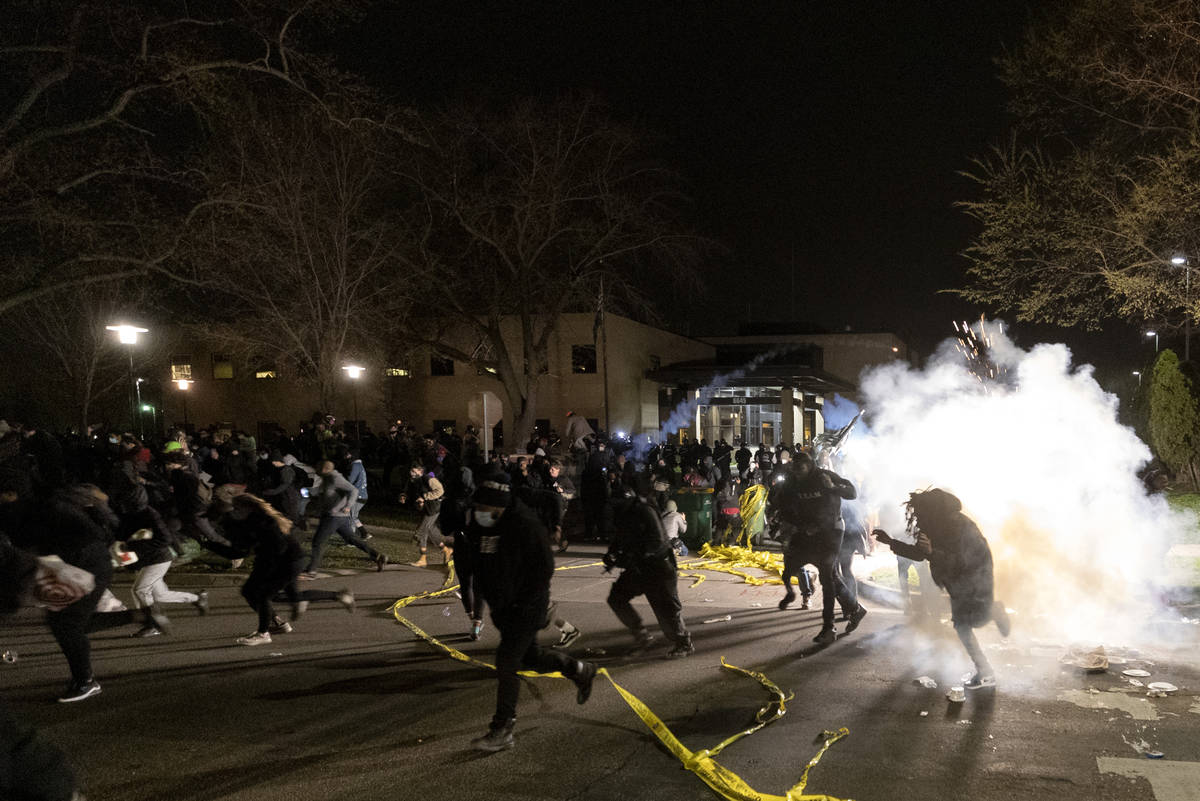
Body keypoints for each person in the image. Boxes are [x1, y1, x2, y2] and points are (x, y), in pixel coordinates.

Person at [468, 468, 599, 752]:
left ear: (501, 506)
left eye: (486, 507)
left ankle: (503, 728)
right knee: (530, 658)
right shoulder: (484, 522)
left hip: (527, 606)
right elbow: (478, 561)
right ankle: (579, 669)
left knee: (506, 661)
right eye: (478, 506)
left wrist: (523, 603)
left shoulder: (525, 525)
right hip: (503, 607)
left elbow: (544, 570)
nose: (480, 511)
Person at [873, 488, 1011, 689]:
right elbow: (921, 554)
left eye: (920, 514)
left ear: (933, 511)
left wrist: (932, 551)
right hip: (956, 580)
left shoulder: (961, 527)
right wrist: (891, 542)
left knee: (965, 625)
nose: (917, 519)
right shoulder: (934, 524)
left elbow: (962, 562)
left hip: (975, 577)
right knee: (967, 623)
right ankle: (986, 657)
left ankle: (986, 672)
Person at [220, 494, 354, 646]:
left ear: (247, 508)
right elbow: (246, 549)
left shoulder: (264, 521)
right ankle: (340, 596)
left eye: (237, 508)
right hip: (289, 561)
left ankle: (264, 633)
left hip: (289, 562)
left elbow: (278, 547)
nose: (234, 511)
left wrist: (268, 569)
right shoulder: (255, 519)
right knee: (289, 596)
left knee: (264, 594)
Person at [773, 451, 866, 644]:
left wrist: (833, 487)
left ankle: (828, 627)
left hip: (831, 530)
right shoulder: (792, 481)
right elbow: (781, 505)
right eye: (795, 469)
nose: (798, 473)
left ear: (810, 466)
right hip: (807, 531)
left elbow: (852, 492)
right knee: (798, 563)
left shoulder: (824, 476)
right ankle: (855, 609)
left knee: (826, 572)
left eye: (801, 469)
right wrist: (791, 522)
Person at [604, 488, 694, 659]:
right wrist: (611, 555)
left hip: (659, 567)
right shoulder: (624, 514)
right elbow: (619, 537)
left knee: (666, 608)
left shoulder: (644, 510)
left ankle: (684, 643)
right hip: (639, 568)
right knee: (616, 598)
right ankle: (641, 636)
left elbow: (657, 541)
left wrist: (632, 556)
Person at [302, 460, 386, 577]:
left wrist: (348, 506)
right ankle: (378, 556)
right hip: (338, 517)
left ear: (325, 469)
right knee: (353, 539)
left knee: (318, 542)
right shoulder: (326, 479)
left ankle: (312, 570)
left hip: (333, 516)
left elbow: (353, 490)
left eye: (318, 467)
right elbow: (326, 495)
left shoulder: (335, 477)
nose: (316, 469)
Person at [402, 463, 451, 567]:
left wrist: (425, 497)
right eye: (411, 471)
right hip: (425, 508)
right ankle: (446, 550)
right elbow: (408, 491)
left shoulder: (428, 479)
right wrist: (403, 496)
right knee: (430, 531)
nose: (412, 474)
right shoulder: (412, 481)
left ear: (421, 472)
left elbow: (440, 490)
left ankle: (423, 558)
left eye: (415, 472)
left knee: (422, 531)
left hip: (433, 508)